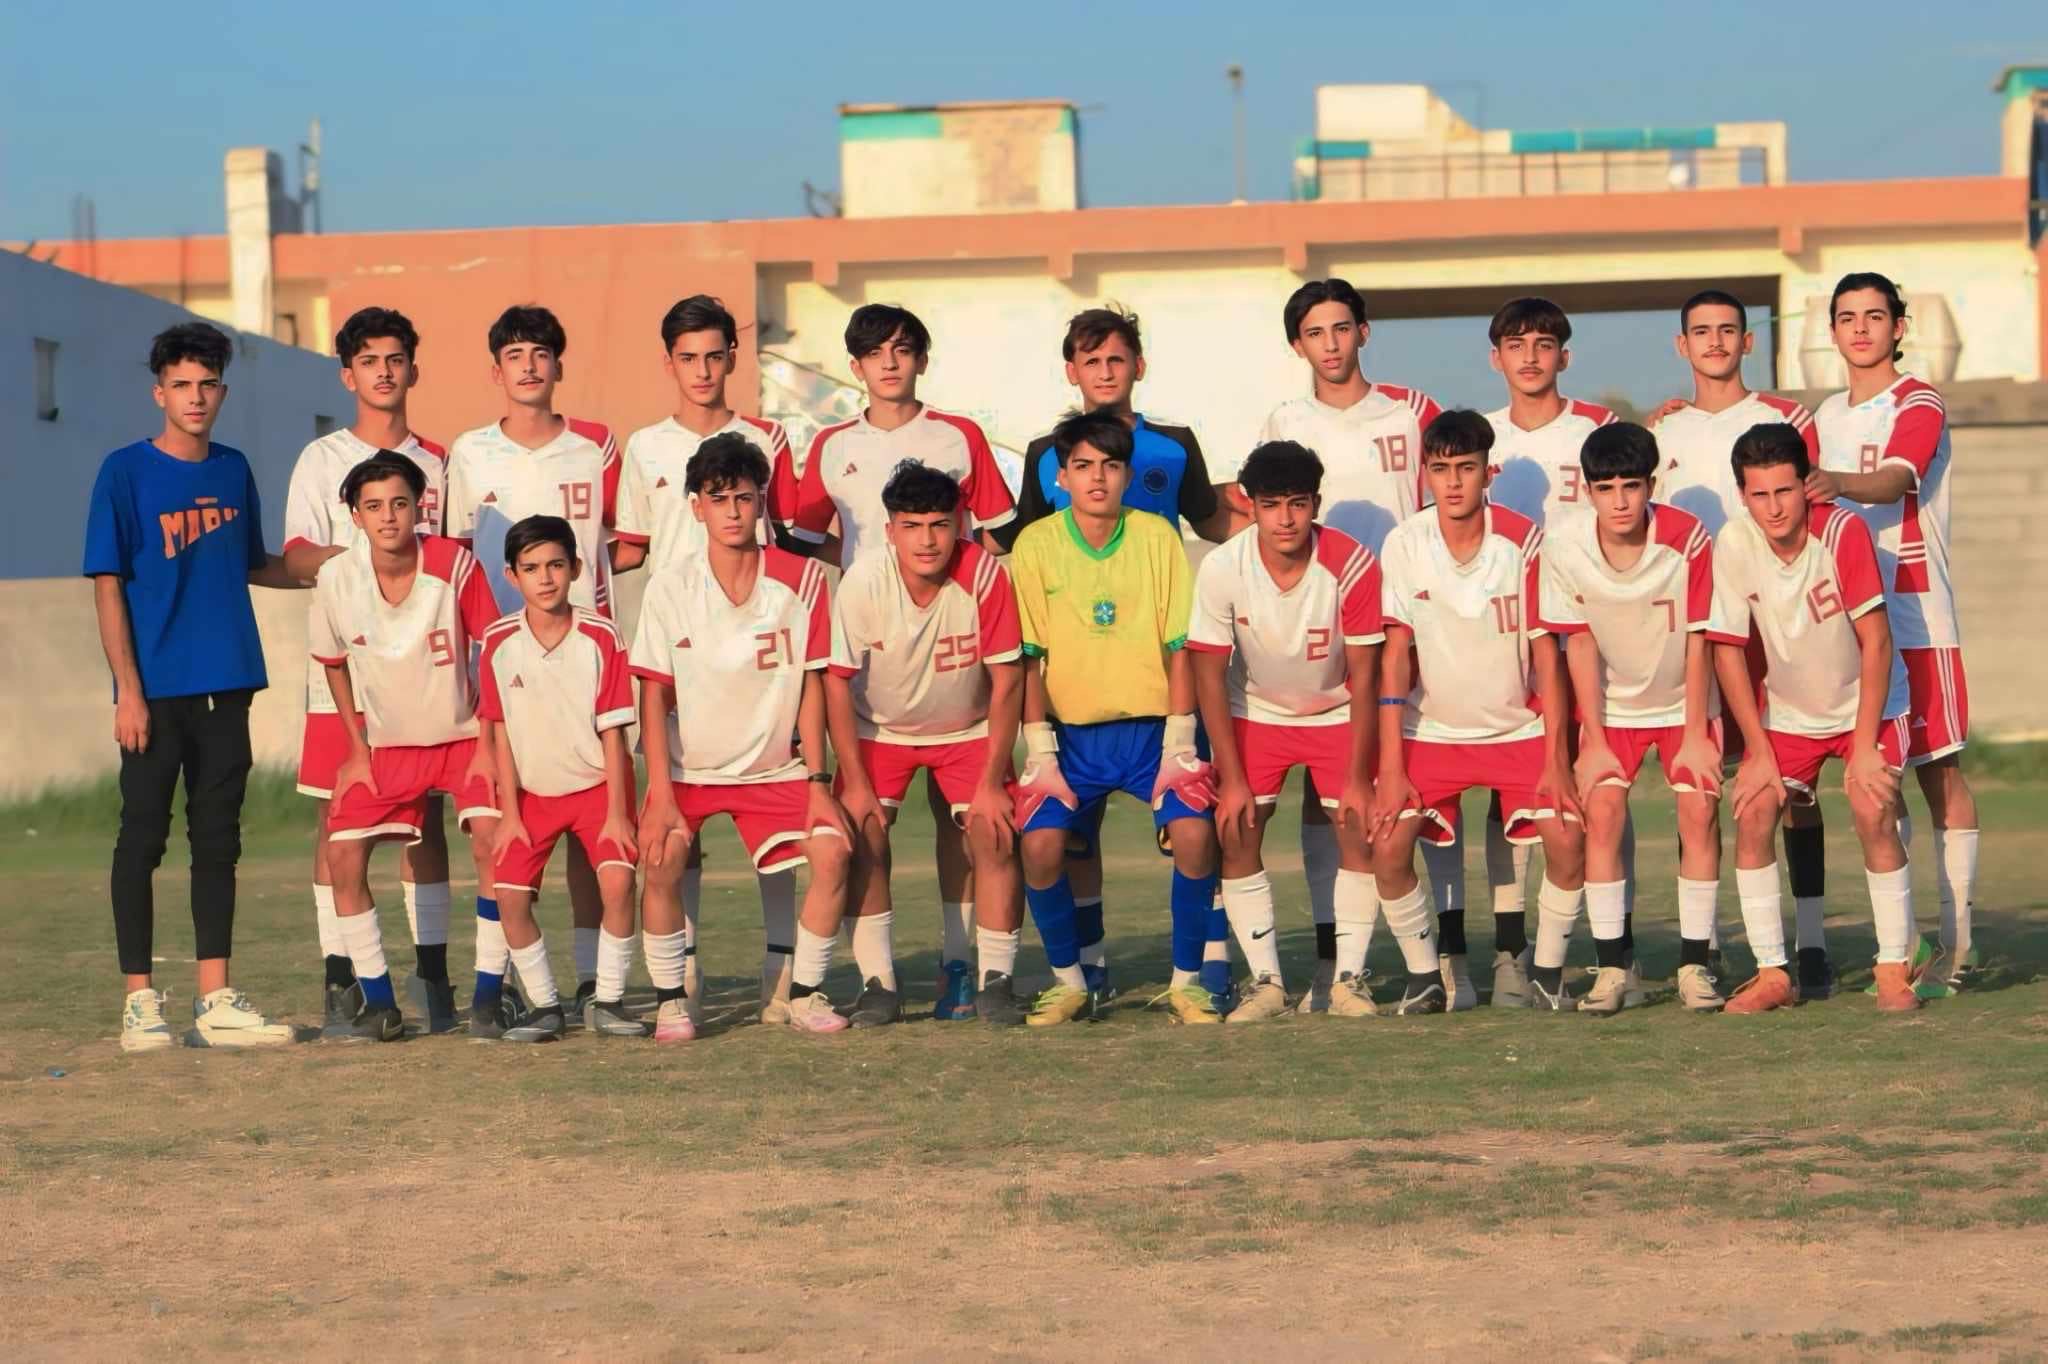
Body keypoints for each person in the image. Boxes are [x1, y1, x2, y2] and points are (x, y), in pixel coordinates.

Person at [771, 302, 1016, 1016]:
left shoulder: (959, 435)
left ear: (921, 360)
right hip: (876, 655)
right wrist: (864, 581)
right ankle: (878, 981)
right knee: (866, 831)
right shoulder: (830, 446)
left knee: (972, 829)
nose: (889, 362)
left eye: (902, 349)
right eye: (874, 352)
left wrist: (961, 584)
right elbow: (803, 540)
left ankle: (966, 968)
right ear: (854, 367)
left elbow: (999, 533)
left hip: (955, 668)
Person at [992, 304, 1237, 1010]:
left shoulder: (1172, 456)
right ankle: (1083, 973)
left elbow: (1212, 519)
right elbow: (1019, 549)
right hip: (1073, 717)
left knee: (1195, 830)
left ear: (1139, 365)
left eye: (1116, 358)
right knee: (1066, 842)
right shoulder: (1043, 471)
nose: (1097, 476)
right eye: (1091, 359)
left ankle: (1204, 971)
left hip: (1155, 709)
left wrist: (1279, 520)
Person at [85, 320, 302, 1051]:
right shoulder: (124, 472)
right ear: (160, 393)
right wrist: (128, 690)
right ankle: (140, 1002)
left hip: (227, 684)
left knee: (217, 841)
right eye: (181, 384)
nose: (196, 397)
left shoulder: (234, 469)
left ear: (223, 392)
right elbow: (107, 585)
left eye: (208, 384)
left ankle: (216, 1000)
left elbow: (256, 563)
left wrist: (342, 563)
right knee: (141, 838)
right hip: (154, 691)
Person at [1257, 278, 1448, 1011]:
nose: (1330, 344)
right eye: (1315, 333)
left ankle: (1450, 956)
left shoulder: (1412, 411)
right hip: (1319, 623)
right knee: (1329, 796)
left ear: (1363, 332)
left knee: (1421, 787)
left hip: (1402, 622)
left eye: (1341, 328)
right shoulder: (1284, 420)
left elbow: (1444, 507)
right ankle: (1336, 958)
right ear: (1297, 345)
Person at [611, 293, 802, 1025]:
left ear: (732, 359)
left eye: (714, 356)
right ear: (669, 363)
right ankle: (683, 971)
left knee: (776, 820)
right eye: (687, 357)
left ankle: (782, 968)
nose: (702, 370)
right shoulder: (643, 447)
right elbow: (631, 549)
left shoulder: (768, 438)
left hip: (759, 656)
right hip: (677, 653)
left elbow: (788, 542)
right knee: (675, 824)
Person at [630, 433, 856, 1034]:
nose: (732, 511)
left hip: (775, 770)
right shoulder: (669, 586)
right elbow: (652, 694)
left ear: (761, 502)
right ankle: (671, 999)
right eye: (718, 498)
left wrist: (819, 782)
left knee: (834, 850)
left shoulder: (804, 580)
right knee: (660, 855)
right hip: (690, 770)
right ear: (696, 506)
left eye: (744, 498)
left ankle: (803, 994)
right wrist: (659, 793)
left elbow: (812, 686)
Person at [1367, 409, 1586, 1013]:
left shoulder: (1524, 541)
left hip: (1518, 727)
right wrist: (1391, 766)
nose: (1454, 482)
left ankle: (1545, 974)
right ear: (1425, 474)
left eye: (1466, 468)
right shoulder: (1404, 542)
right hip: (1432, 731)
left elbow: (1548, 656)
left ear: (1488, 472)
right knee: (1386, 846)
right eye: (1441, 470)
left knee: (1569, 841)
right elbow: (1394, 657)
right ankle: (1424, 978)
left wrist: (1557, 759)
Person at [279, 306, 459, 1035]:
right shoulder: (322, 459)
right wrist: (367, 562)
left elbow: (452, 561)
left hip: (425, 677)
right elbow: (296, 556)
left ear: (414, 368)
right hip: (344, 674)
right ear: (347, 375)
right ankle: (342, 978)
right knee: (338, 820)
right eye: (368, 361)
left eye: (395, 359)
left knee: (427, 823)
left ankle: (433, 974)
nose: (383, 372)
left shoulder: (441, 462)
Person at [1707, 422, 1920, 1013]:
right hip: (1788, 715)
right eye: (1759, 494)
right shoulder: (1734, 542)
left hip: (1870, 706)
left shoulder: (1843, 530)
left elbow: (1876, 641)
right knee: (1753, 810)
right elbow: (1727, 650)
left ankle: (1893, 967)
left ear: (1806, 486)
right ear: (1743, 494)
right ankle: (1773, 973)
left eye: (1784, 490)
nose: (1774, 507)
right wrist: (1757, 751)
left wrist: (1866, 748)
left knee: (1871, 807)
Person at [444, 304, 619, 1019]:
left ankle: (592, 981)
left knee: (592, 835)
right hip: (503, 664)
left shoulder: (598, 447)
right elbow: (458, 556)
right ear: (496, 371)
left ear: (558, 365)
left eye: (540, 353)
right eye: (515, 354)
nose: (528, 365)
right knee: (499, 830)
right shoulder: (469, 452)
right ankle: (502, 984)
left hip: (584, 659)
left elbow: (627, 544)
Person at [1646, 289, 1822, 986]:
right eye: (1701, 331)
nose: (1715, 341)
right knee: (1702, 791)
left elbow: (1815, 506)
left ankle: (1810, 944)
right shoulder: (1665, 430)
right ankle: (1706, 946)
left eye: (1727, 330)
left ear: (1749, 342)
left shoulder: (1787, 418)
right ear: (1681, 345)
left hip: (1778, 625)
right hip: (1700, 629)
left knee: (1793, 788)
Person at [1812, 271, 1978, 993]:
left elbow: (1896, 479)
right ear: (1832, 331)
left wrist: (1834, 481)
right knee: (1881, 780)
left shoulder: (1919, 400)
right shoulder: (1823, 414)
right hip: (1856, 622)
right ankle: (1906, 940)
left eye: (1874, 316)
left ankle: (1960, 938)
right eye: (1847, 317)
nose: (1860, 328)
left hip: (1918, 612)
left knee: (1940, 770)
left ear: (1898, 327)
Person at [1188, 440, 1387, 1021]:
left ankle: (1348, 980)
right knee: (1237, 827)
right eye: (1271, 504)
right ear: (1247, 504)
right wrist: (1230, 778)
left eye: (1297, 504)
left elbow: (1367, 675)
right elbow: (1207, 672)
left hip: (1337, 711)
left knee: (1358, 827)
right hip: (1255, 712)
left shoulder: (1352, 562)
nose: (1285, 519)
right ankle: (1267, 984)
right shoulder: (1223, 566)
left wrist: (1359, 776)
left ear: (1315, 504)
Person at [826, 461, 1028, 1026]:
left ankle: (992, 980)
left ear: (959, 524)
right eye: (912, 526)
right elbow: (836, 684)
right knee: (861, 831)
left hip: (968, 728)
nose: (927, 540)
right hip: (878, 729)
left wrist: (993, 781)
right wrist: (855, 781)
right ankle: (878, 985)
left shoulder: (984, 573)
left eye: (940, 524)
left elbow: (1009, 678)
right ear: (890, 530)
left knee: (994, 831)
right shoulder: (863, 580)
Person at [311, 455, 504, 1041]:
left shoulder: (453, 562)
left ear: (418, 507)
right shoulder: (336, 578)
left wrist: (489, 744)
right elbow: (333, 663)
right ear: (356, 516)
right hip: (387, 748)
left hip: (462, 739)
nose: (388, 517)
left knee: (494, 843)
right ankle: (379, 1002)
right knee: (343, 856)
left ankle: (490, 994)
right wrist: (356, 748)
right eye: (373, 507)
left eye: (399, 503)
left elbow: (496, 648)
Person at [1540, 423, 1725, 1014]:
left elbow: (1700, 637)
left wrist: (1695, 733)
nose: (1619, 501)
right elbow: (1578, 643)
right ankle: (1613, 970)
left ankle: (1696, 965)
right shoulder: (1564, 546)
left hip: (1683, 701)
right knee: (1602, 814)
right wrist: (1592, 739)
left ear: (1652, 484)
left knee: (1699, 809)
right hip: (1611, 706)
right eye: (1605, 488)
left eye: (1631, 486)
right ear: (1587, 491)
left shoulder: (1688, 538)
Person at [1479, 297, 1619, 999]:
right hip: (1504, 636)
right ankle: (1511, 950)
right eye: (1516, 345)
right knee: (1510, 793)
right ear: (1496, 358)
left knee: (1604, 788)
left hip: (1590, 633)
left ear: (1564, 355)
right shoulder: (1482, 440)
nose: (1530, 357)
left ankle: (1615, 945)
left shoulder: (1599, 428)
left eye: (1543, 344)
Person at [477, 516, 642, 1042]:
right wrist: (509, 813)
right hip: (532, 796)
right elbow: (500, 731)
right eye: (530, 568)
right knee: (509, 898)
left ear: (575, 568)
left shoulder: (602, 635)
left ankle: (608, 1000)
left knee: (618, 882)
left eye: (555, 565)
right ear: (511, 576)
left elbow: (614, 732)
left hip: (598, 788)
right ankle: (546, 1007)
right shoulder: (498, 641)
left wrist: (617, 813)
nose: (544, 578)